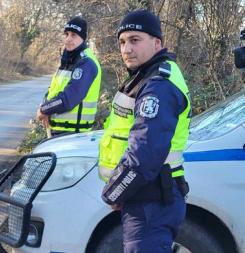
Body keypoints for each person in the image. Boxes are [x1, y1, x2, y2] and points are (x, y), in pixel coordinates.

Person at [98, 10, 191, 252]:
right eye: (122, 42)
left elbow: (144, 153)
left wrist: (114, 192)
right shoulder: (145, 77)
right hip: (145, 196)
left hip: (151, 200)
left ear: (156, 42)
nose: (126, 49)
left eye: (135, 40)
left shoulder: (157, 85)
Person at [36, 17, 101, 137]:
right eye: (66, 34)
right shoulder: (68, 61)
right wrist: (45, 105)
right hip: (59, 133)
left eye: (74, 35)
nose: (68, 39)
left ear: (83, 38)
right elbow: (53, 91)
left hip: (73, 135)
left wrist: (44, 109)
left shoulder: (86, 62)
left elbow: (68, 99)